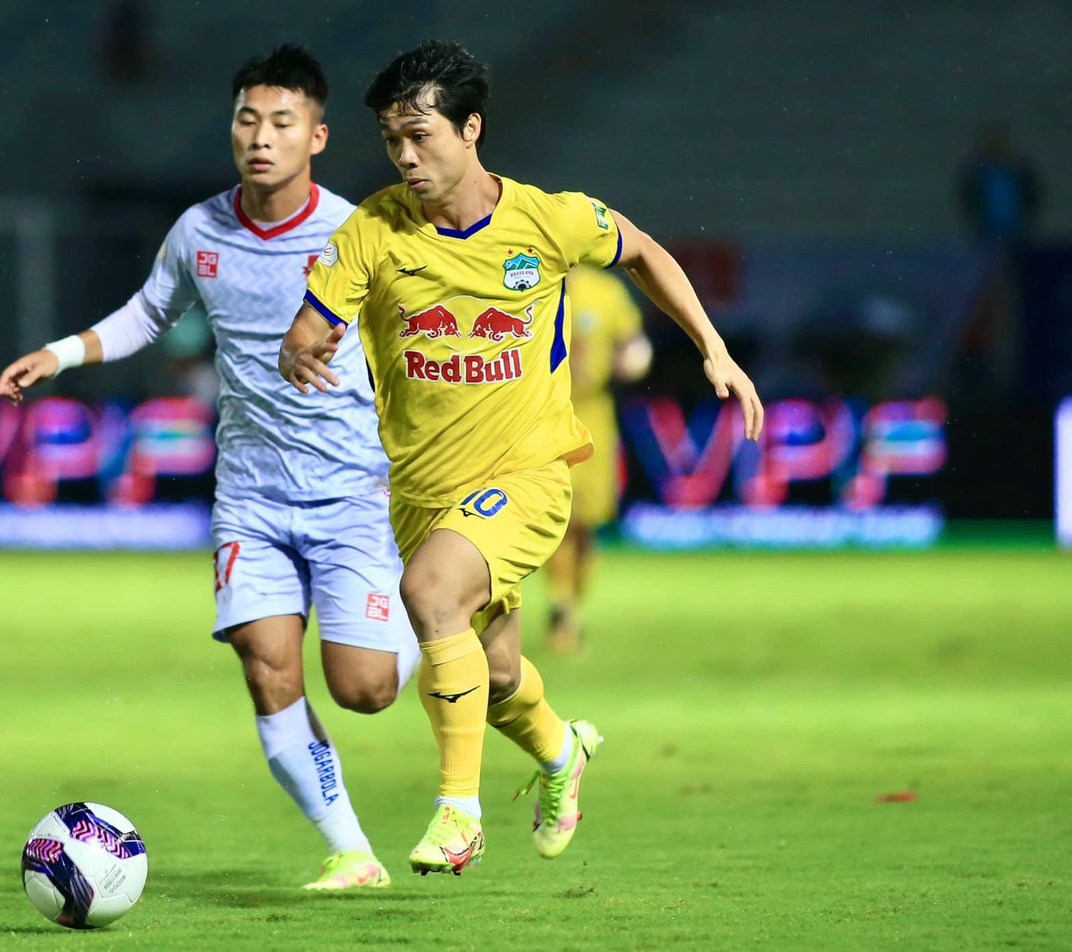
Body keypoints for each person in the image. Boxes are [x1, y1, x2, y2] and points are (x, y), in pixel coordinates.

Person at [279, 40, 763, 876]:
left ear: (471, 128)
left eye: (420, 136)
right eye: (392, 140)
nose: (405, 157)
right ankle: (561, 752)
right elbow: (309, 326)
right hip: (423, 493)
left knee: (430, 594)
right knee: (497, 674)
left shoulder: (547, 220)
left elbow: (643, 251)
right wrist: (299, 349)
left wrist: (713, 348)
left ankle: (458, 815)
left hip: (528, 474)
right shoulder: (372, 231)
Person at [0, 45, 418, 891]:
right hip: (251, 498)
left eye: (281, 123)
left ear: (318, 137)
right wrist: (60, 353)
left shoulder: (356, 232)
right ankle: (351, 850)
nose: (260, 137)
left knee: (364, 689)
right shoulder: (201, 230)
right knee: (267, 666)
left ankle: (426, 606)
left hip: (352, 491)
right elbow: (147, 313)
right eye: (247, 120)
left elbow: (418, 334)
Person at [545, 266, 652, 654]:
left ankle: (572, 604)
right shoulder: (528, 281)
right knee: (553, 519)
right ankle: (559, 602)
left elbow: (632, 343)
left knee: (585, 523)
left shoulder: (605, 292)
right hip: (542, 416)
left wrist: (633, 360)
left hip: (593, 418)